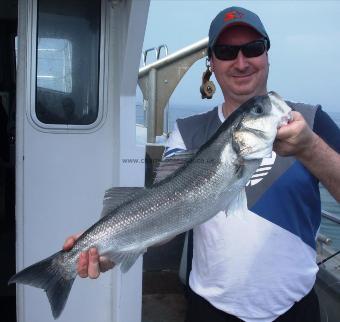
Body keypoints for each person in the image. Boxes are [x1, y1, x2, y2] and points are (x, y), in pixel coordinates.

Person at [63, 6, 340, 322]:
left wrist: (311, 149)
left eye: (252, 48)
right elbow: (164, 212)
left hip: (294, 310)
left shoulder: (312, 121)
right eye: (226, 51)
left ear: (266, 54)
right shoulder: (186, 132)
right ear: (211, 62)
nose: (241, 61)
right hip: (210, 310)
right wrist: (111, 246)